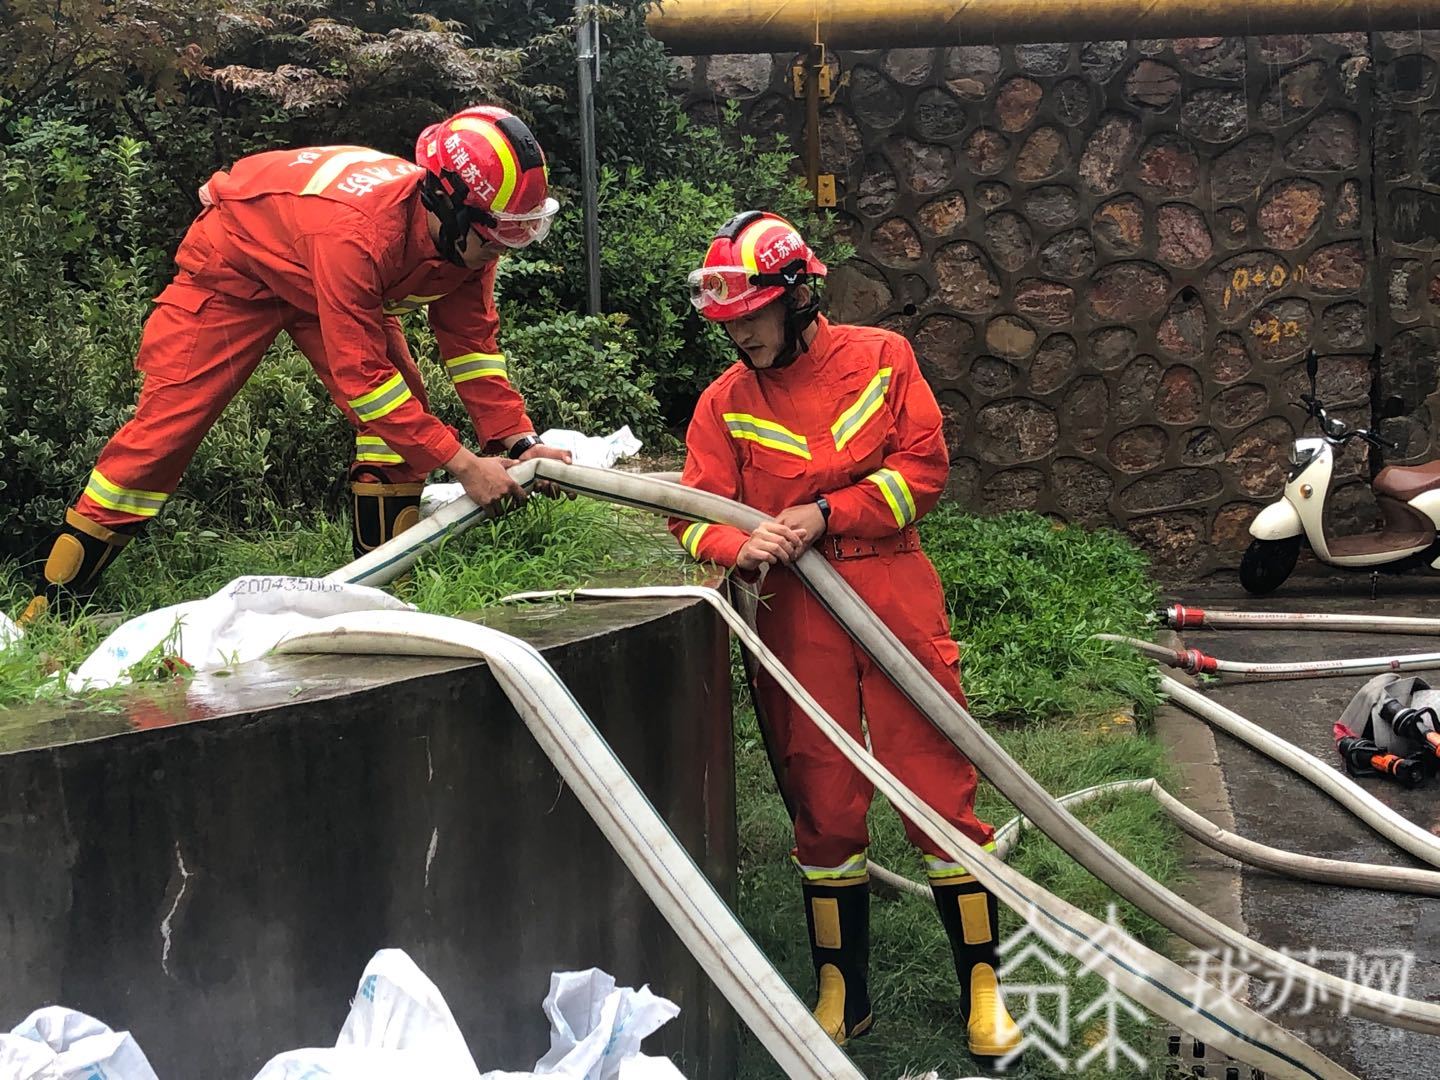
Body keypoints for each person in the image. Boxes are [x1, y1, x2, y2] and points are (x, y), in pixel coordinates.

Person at [668, 211, 1021, 1063]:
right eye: (729, 319)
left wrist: (825, 513)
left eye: (752, 313)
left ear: (796, 296)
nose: (740, 332)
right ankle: (842, 993)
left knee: (937, 785)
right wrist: (733, 544)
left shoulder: (880, 358)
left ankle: (983, 989)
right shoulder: (723, 403)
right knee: (822, 802)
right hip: (795, 612)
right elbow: (691, 513)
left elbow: (922, 473)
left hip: (893, 587)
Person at [22, 105, 572, 622]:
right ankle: (51, 608)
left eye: (518, 231)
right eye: (497, 232)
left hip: (325, 281)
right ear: (447, 204)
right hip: (237, 273)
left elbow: (473, 348)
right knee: (163, 435)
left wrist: (518, 442)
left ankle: (378, 598)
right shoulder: (357, 233)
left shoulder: (467, 240)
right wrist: (463, 464)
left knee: (401, 426)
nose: (504, 247)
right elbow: (364, 383)